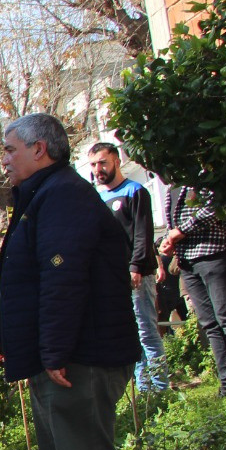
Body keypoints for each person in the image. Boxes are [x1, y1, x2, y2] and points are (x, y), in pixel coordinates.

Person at [0, 114, 144, 450]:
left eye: (11, 148)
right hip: (57, 356)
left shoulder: (62, 195)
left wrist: (56, 349)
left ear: (41, 149)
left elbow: (64, 277)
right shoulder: (43, 195)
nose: (4, 158)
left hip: (81, 356)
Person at [90, 143, 168, 392]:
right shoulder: (97, 197)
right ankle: (143, 389)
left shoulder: (136, 191)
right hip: (111, 277)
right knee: (128, 334)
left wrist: (135, 267)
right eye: (93, 165)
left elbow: (143, 235)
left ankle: (160, 386)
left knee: (146, 330)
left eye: (103, 162)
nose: (98, 169)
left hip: (136, 274)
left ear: (116, 161)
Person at [160, 182, 226, 394]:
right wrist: (167, 240)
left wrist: (180, 231)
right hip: (187, 261)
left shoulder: (205, 173)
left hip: (216, 254)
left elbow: (217, 207)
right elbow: (173, 225)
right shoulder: (171, 185)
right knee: (210, 324)